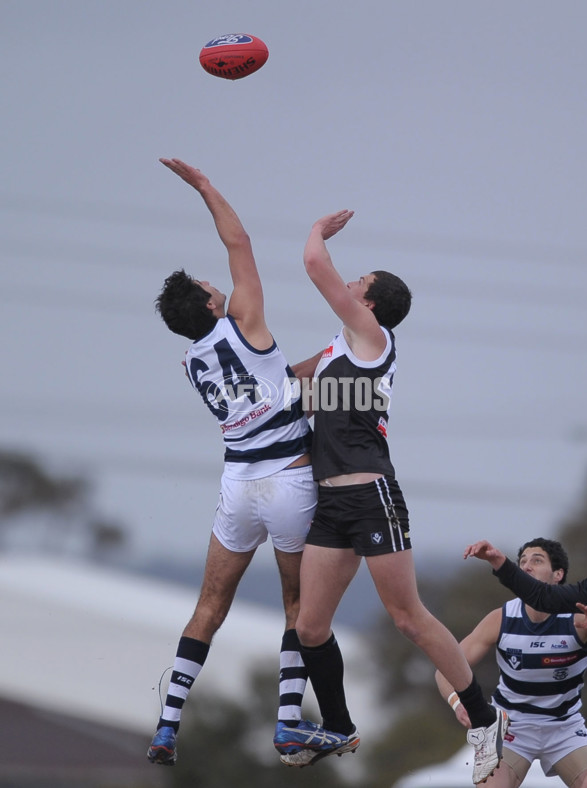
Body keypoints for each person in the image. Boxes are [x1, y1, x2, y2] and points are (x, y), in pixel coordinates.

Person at [279, 208, 509, 785]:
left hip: (371, 495)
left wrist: (318, 233)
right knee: (310, 627)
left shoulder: (371, 336)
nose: (349, 282)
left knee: (407, 617)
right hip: (329, 504)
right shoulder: (338, 349)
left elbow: (313, 262)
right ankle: (337, 723)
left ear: (371, 304)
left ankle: (483, 720)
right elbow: (282, 384)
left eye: (358, 282)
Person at [148, 158, 341, 765]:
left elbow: (279, 384)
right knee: (296, 605)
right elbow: (240, 240)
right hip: (288, 478)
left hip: (237, 485)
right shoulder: (245, 321)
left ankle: (166, 724)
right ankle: (287, 723)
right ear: (211, 307)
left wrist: (330, 355)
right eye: (213, 288)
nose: (222, 287)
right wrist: (205, 187)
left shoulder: (192, 362)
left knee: (209, 605)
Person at [436, 538, 587, 787]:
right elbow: (445, 670)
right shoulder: (501, 619)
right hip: (510, 727)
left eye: (537, 560)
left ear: (558, 574)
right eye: (522, 562)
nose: (527, 566)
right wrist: (459, 703)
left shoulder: (582, 617)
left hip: (564, 727)